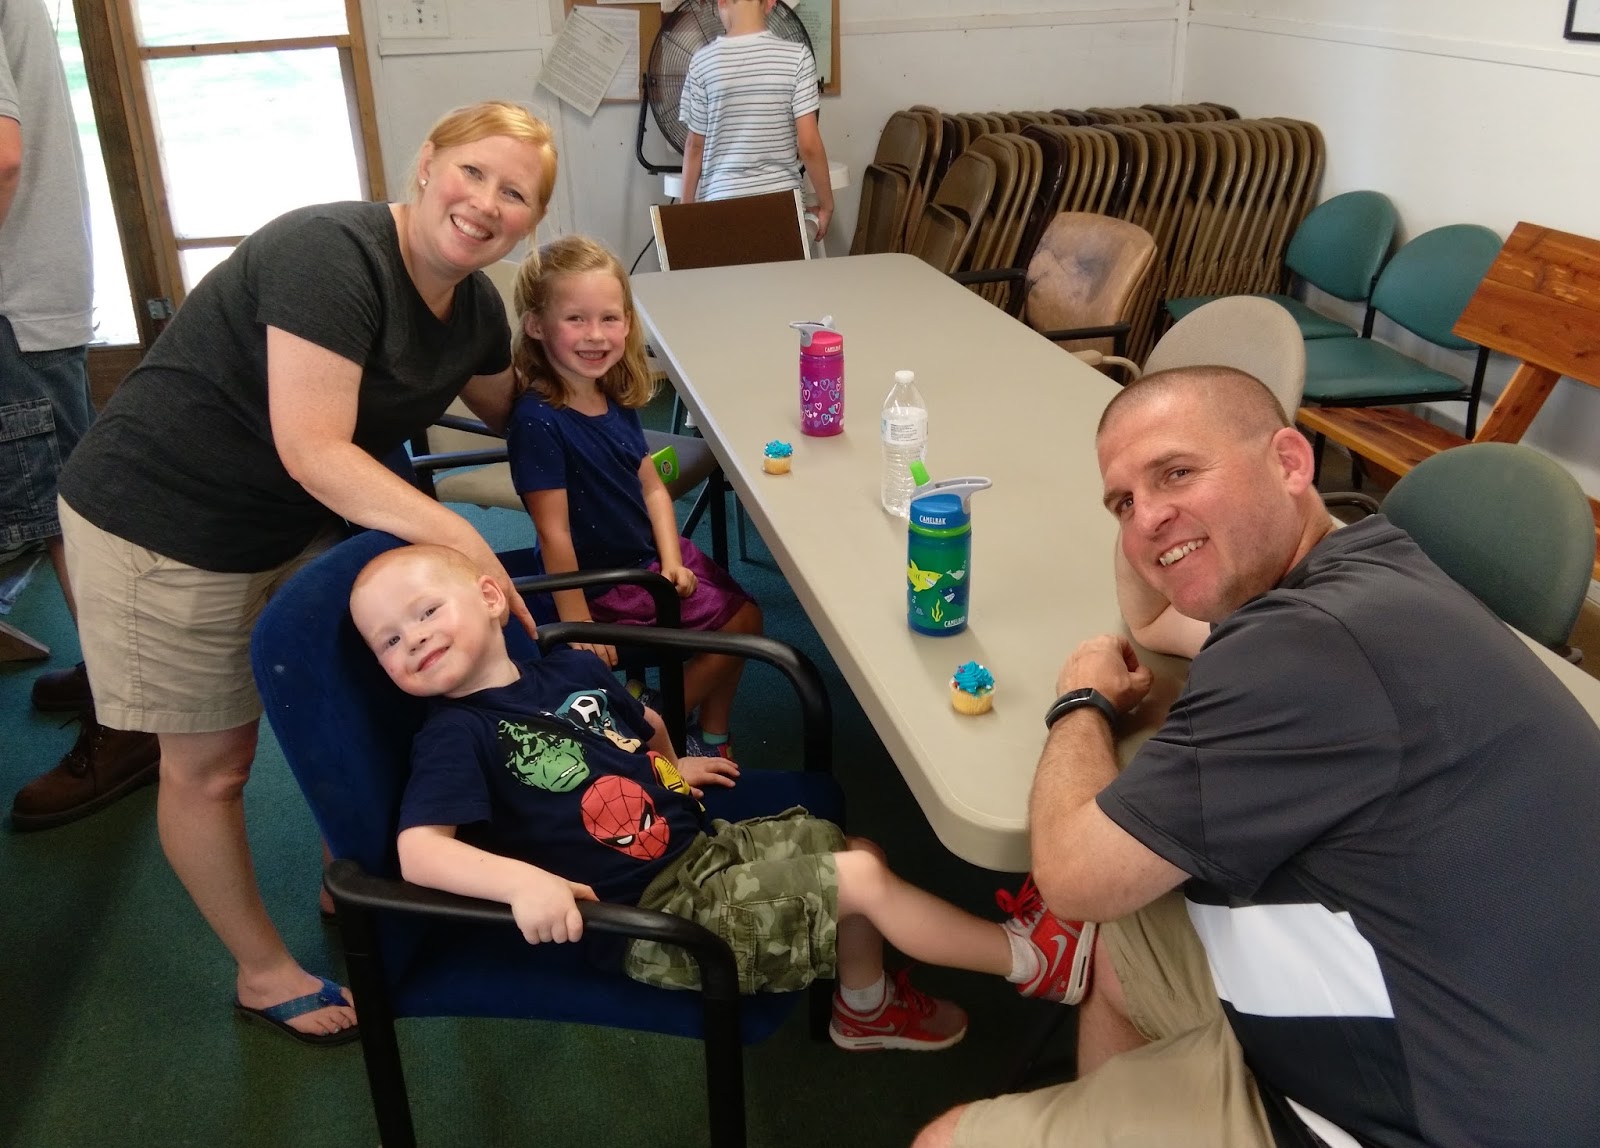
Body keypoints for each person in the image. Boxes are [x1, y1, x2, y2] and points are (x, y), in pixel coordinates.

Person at [906, 366, 1600, 1148]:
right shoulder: (1370, 568)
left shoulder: (1299, 654)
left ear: (1290, 462)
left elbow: (1072, 877)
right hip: (1483, 1011)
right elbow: (1155, 619)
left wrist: (1078, 702)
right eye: (1122, 502)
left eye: (1177, 472)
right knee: (1130, 943)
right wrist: (1164, 525)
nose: (1145, 515)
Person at [45, 100, 558, 1045]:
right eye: (472, 171)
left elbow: (515, 410)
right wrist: (458, 534)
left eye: (516, 193)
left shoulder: (475, 309)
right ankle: (261, 972)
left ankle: (345, 872)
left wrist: (604, 389)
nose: (487, 203)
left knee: (355, 700)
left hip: (300, 519)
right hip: (163, 517)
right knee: (213, 769)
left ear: (531, 222)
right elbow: (314, 448)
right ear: (426, 163)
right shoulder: (332, 254)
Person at [347, 541, 1095, 1048]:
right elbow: (421, 853)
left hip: (701, 852)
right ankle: (1031, 962)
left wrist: (675, 772)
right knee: (863, 880)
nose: (413, 639)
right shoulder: (455, 735)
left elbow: (642, 728)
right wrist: (521, 884)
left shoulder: (569, 668)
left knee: (859, 850)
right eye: (389, 641)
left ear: (490, 598)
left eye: (426, 612)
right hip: (653, 922)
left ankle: (863, 1008)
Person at [2, 0, 161, 828]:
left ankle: (132, 720)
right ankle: (115, 679)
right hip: (31, 287)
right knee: (67, 505)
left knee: (65, 518)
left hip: (12, 298)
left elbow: (1, 156)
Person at [507, 235, 758, 759]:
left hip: (646, 559)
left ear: (626, 321)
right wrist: (578, 624)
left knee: (744, 615)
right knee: (741, 627)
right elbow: (553, 532)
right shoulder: (538, 420)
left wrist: (671, 559)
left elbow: (652, 488)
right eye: (575, 319)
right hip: (601, 584)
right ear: (536, 325)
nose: (596, 335)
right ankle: (648, 724)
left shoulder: (612, 396)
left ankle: (709, 736)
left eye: (609, 318)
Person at [679, 0, 833, 242]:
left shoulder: (702, 62)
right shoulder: (797, 57)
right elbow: (809, 145)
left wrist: (685, 214)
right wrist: (826, 204)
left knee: (728, 268)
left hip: (721, 205)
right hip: (782, 204)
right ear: (770, 3)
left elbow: (694, 146)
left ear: (722, 2)